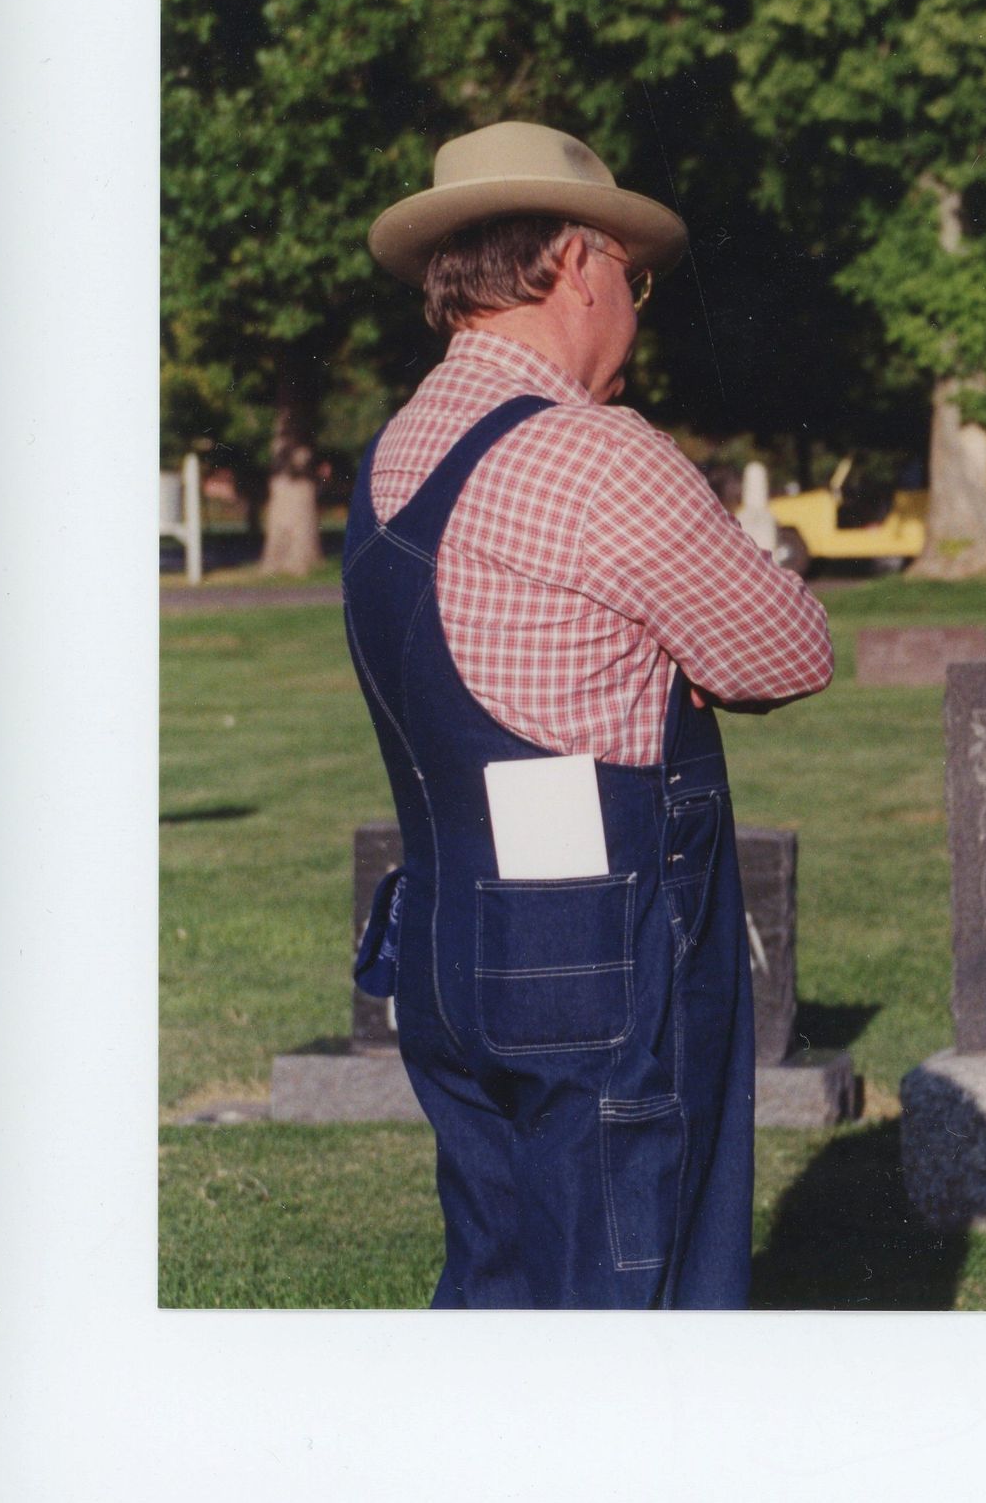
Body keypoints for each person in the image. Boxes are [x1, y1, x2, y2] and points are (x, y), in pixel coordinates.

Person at [346, 121, 834, 1307]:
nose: (636, 307)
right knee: (636, 1305)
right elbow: (790, 649)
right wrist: (683, 647)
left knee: (499, 1291)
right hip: (603, 966)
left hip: (447, 947)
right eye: (632, 277)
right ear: (575, 262)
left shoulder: (393, 451)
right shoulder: (596, 455)